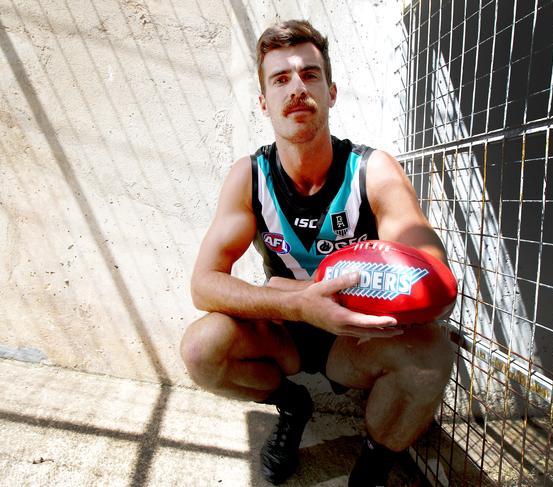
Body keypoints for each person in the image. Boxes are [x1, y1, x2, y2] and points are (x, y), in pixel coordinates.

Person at [180, 19, 454, 486]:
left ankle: (371, 466)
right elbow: (203, 284)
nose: (297, 88)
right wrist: (296, 301)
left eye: (309, 75)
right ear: (264, 102)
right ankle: (292, 405)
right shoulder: (249, 176)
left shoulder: (372, 169)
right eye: (281, 79)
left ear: (331, 91)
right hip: (284, 333)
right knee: (201, 348)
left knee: (431, 356)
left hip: (354, 338)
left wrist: (398, 288)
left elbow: (433, 274)